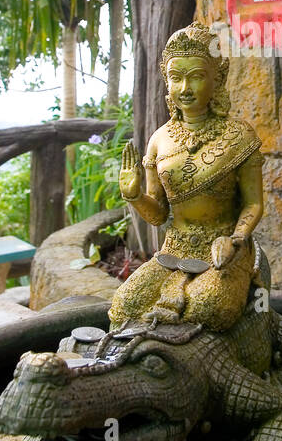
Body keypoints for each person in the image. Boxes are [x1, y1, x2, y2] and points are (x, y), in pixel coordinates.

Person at [107, 21, 263, 334]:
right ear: (167, 80)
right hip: (174, 248)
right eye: (176, 78)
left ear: (216, 79)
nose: (184, 89)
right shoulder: (159, 140)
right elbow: (159, 215)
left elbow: (254, 204)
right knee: (121, 309)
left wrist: (236, 239)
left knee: (207, 309)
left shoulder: (239, 136)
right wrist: (135, 197)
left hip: (223, 245)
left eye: (196, 77)